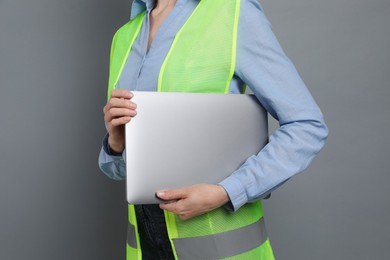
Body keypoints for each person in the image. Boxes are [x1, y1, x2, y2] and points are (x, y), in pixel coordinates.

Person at [99, 0, 328, 259]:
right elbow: (116, 170)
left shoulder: (234, 13)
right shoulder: (125, 36)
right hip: (144, 249)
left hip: (220, 249)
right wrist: (115, 143)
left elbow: (307, 125)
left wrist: (227, 192)